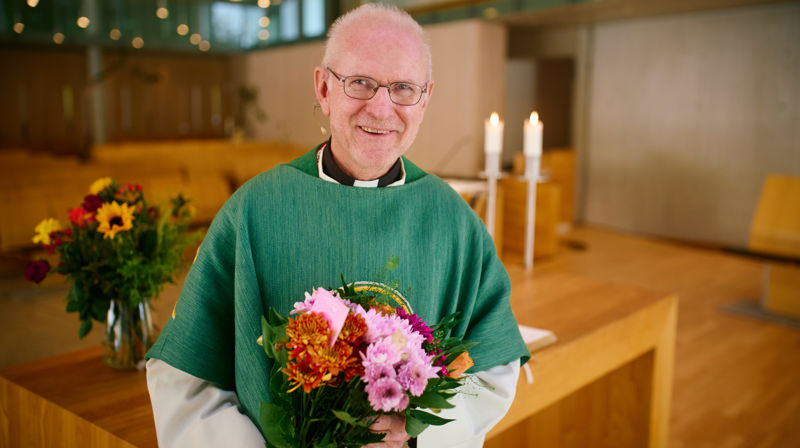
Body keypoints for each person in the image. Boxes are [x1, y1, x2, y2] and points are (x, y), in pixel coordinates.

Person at [145, 4, 530, 447]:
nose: (381, 109)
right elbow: (185, 375)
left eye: (403, 88)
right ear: (324, 88)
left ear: (425, 99)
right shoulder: (253, 211)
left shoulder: (456, 223)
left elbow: (491, 368)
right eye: (361, 83)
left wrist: (419, 434)